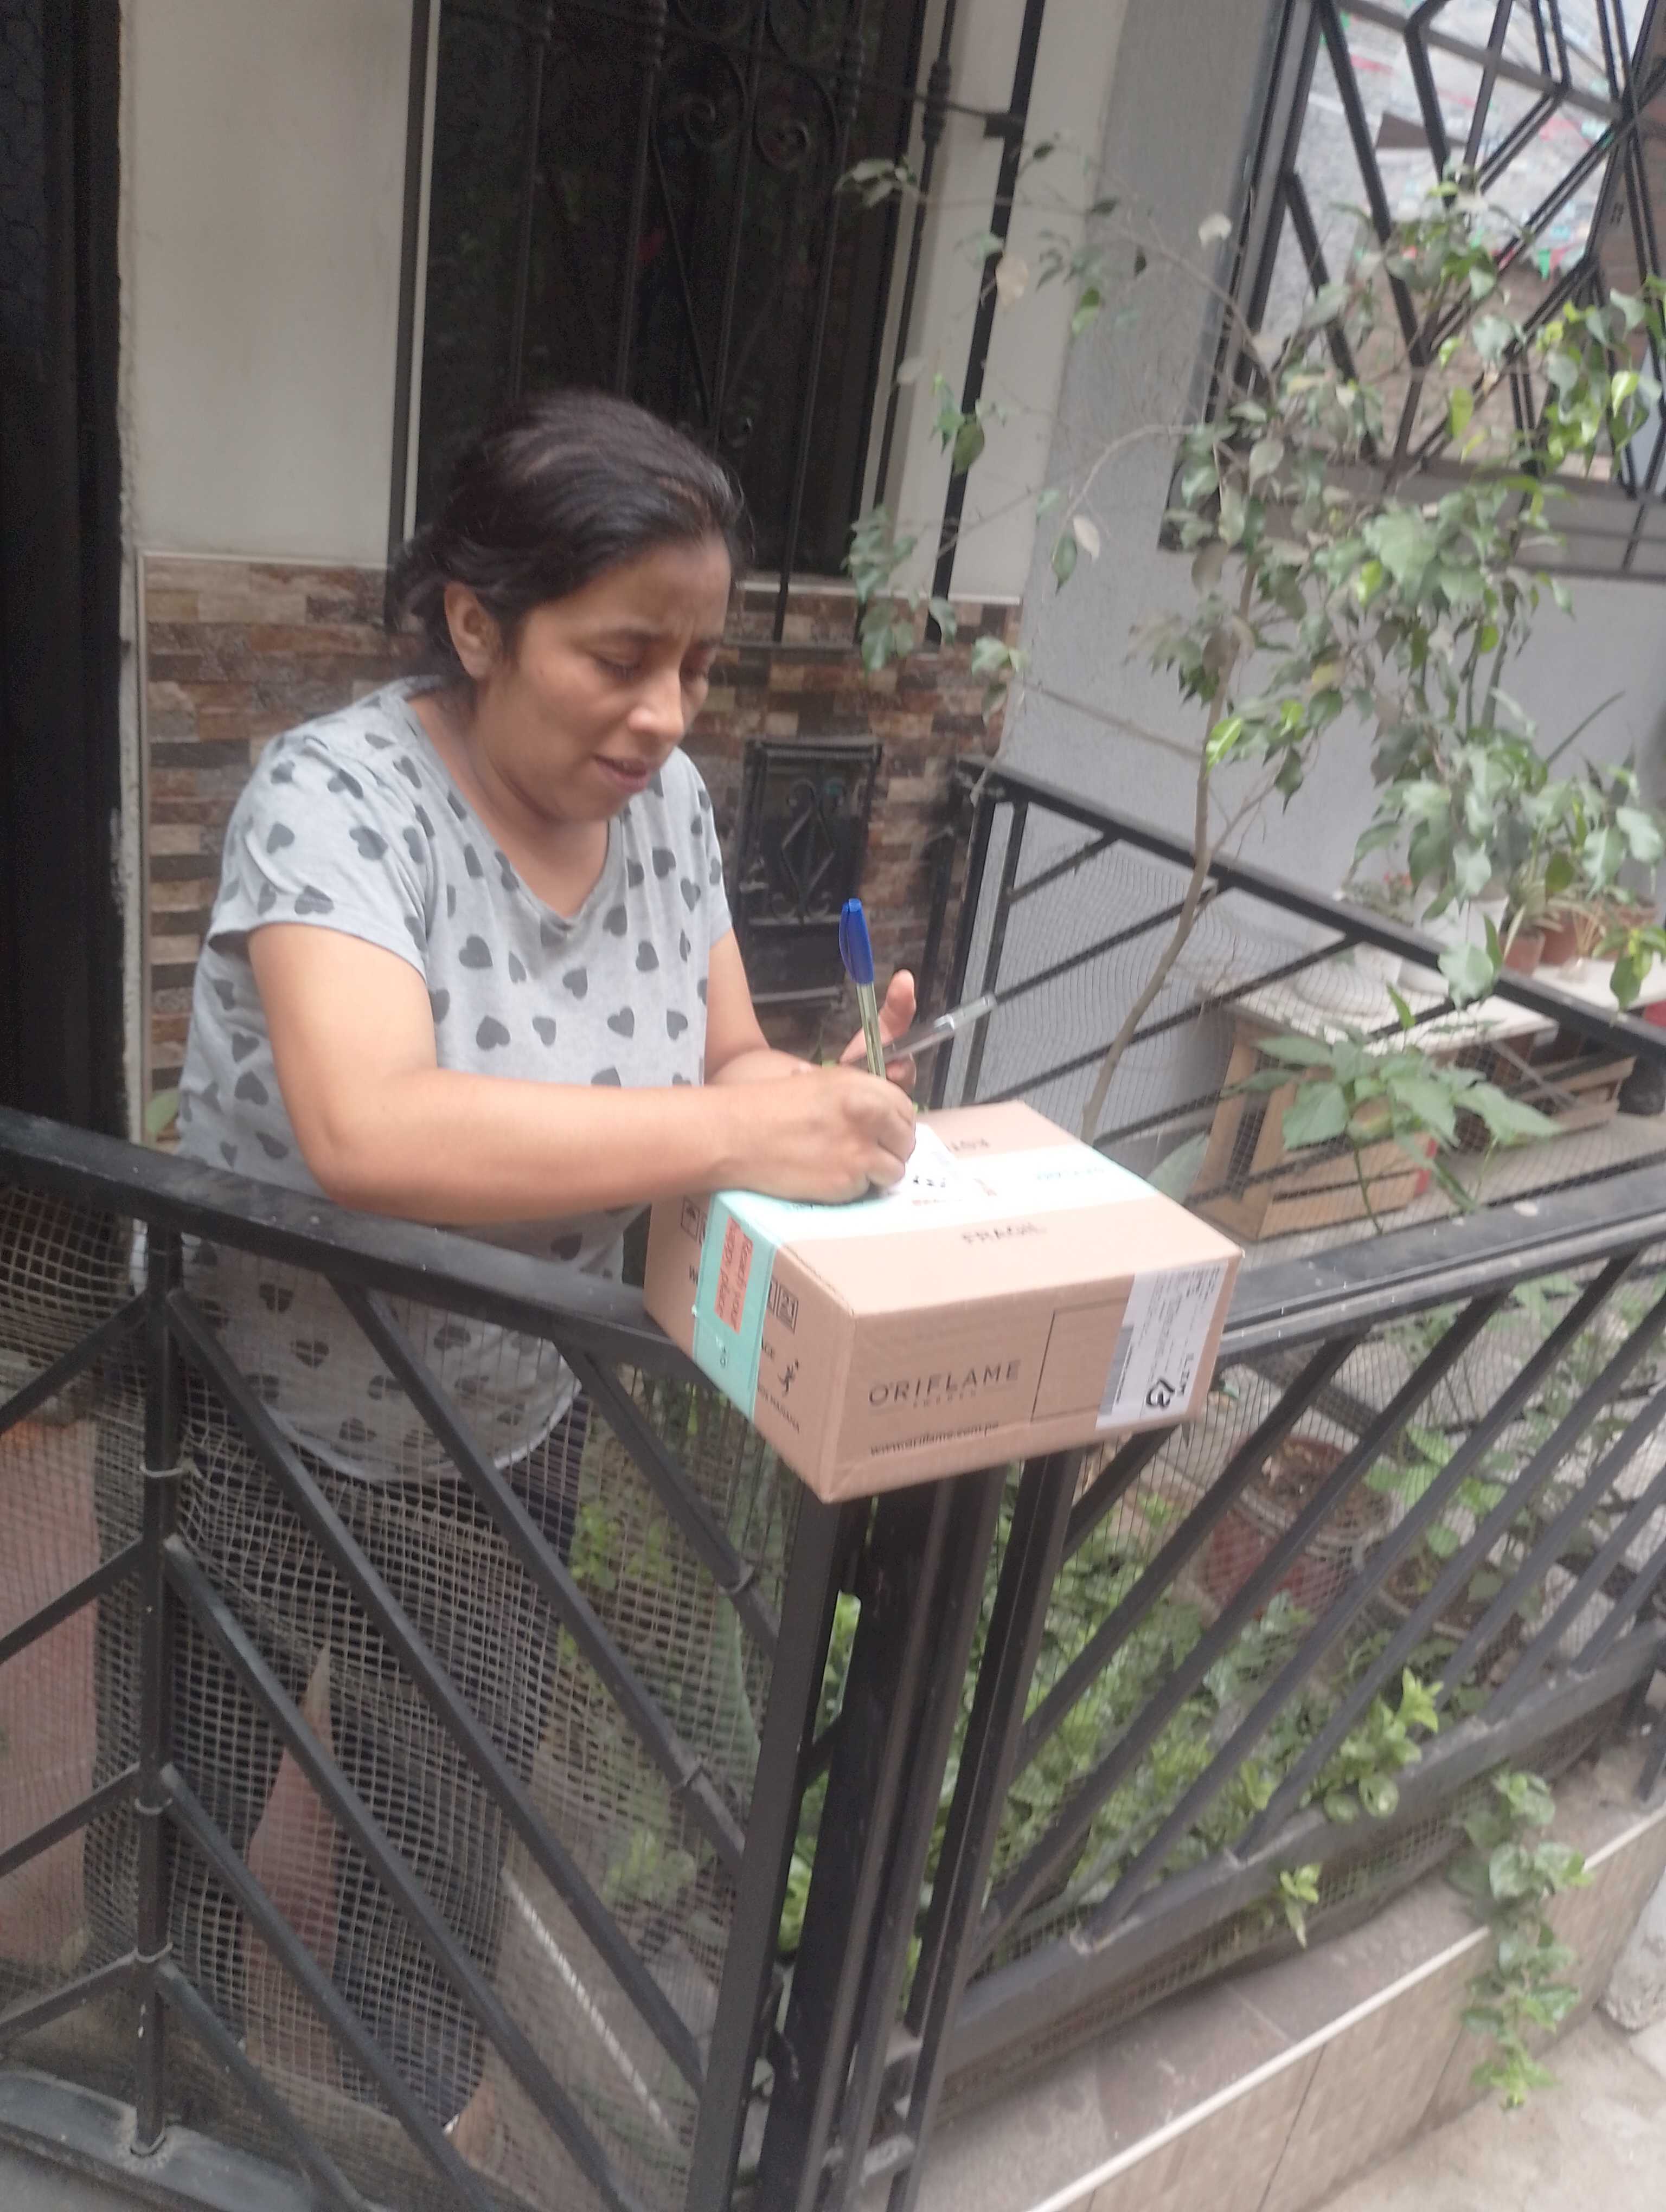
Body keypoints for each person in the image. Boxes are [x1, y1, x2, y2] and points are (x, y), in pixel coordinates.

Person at [89, 392, 917, 2149]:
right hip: (238, 1413)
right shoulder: (335, 798)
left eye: (695, 664)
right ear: (478, 625)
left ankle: (416, 2145)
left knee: (438, 1846)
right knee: (180, 1805)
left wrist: (816, 1097)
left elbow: (723, 1061)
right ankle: (152, 2103)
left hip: (499, 1434)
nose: (668, 713)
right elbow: (371, 1130)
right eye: (622, 657)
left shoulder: (667, 810)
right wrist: (733, 1130)